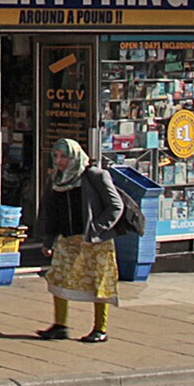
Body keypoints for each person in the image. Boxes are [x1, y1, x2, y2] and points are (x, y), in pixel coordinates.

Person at [35, 137, 122, 343]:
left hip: (94, 241)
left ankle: (100, 329)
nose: (59, 160)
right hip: (67, 238)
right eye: (56, 156)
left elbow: (115, 206)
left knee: (98, 282)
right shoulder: (56, 179)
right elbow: (51, 211)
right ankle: (60, 325)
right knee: (58, 278)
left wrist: (95, 230)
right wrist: (48, 241)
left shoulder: (95, 176)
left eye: (64, 156)